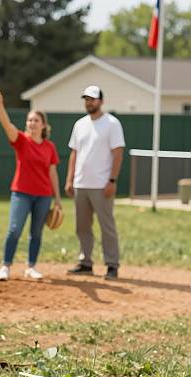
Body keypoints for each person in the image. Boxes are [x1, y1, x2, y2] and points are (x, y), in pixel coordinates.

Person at [0, 90, 62, 281]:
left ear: (43, 125)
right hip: (21, 193)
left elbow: (52, 172)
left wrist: (58, 199)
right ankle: (5, 266)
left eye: (36, 120)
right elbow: (7, 125)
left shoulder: (50, 147)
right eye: (29, 120)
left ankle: (31, 267)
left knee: (36, 233)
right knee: (14, 230)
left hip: (43, 195)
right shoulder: (21, 141)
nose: (32, 123)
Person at [65, 86, 125, 280]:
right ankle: (85, 262)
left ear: (101, 101)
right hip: (81, 183)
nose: (89, 102)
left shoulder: (112, 123)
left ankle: (112, 265)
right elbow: (74, 153)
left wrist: (112, 180)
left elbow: (117, 153)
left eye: (92, 99)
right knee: (82, 226)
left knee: (106, 225)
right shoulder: (80, 124)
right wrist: (70, 179)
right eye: (86, 99)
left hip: (102, 184)